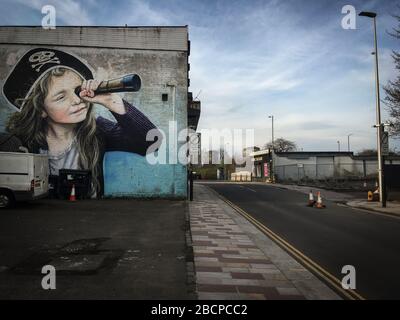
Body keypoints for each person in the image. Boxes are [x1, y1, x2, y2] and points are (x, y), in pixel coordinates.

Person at [3, 48, 161, 197]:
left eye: (77, 90)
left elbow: (151, 141)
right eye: (60, 97)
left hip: (87, 215)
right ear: (40, 109)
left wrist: (110, 100)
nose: (77, 100)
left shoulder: (97, 130)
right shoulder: (19, 142)